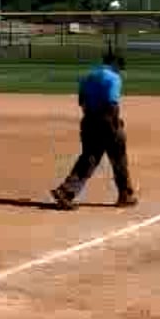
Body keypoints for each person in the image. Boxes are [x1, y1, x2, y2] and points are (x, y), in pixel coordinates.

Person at [52, 51, 137, 210]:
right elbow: (112, 103)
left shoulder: (89, 76)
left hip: (89, 120)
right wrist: (114, 123)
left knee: (89, 157)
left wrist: (91, 116)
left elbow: (81, 101)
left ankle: (66, 191)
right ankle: (125, 195)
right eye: (120, 67)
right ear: (115, 63)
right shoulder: (113, 78)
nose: (120, 70)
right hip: (107, 120)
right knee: (118, 158)